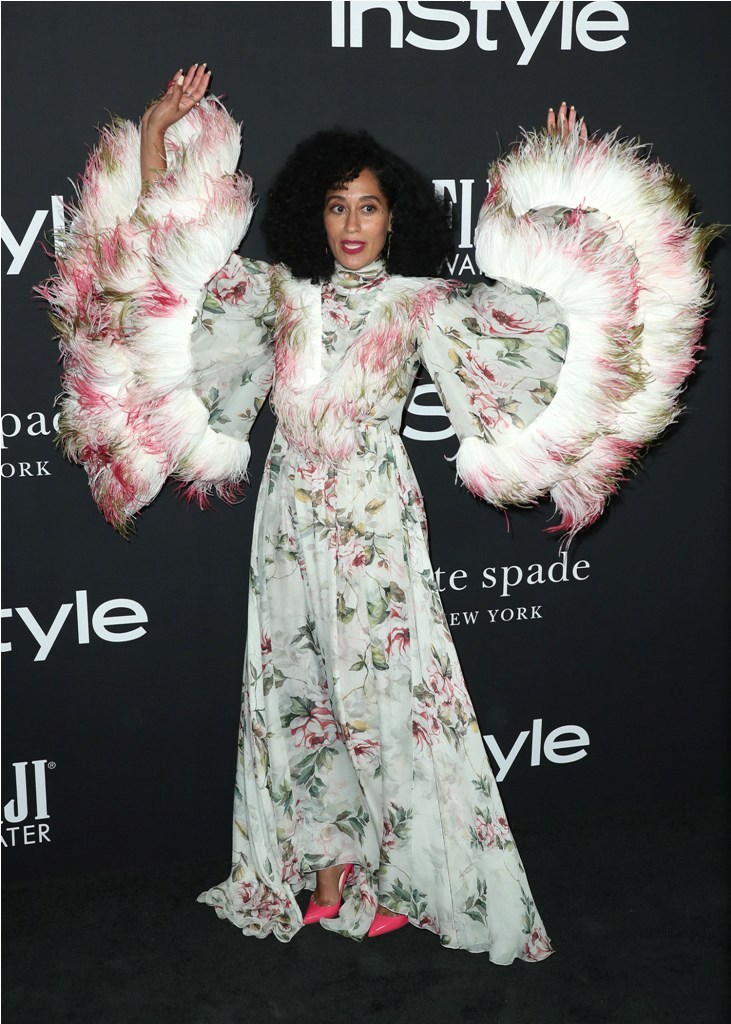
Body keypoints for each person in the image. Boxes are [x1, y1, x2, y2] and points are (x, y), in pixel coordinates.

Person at [41, 64, 710, 959]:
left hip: (372, 517)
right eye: (335, 207)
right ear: (311, 217)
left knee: (390, 697)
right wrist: (158, 136)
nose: (350, 225)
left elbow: (550, 323)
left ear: (396, 215)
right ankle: (324, 878)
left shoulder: (423, 303)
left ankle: (406, 872)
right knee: (300, 692)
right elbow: (168, 271)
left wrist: (563, 190)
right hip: (286, 516)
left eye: (366, 207)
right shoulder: (281, 296)